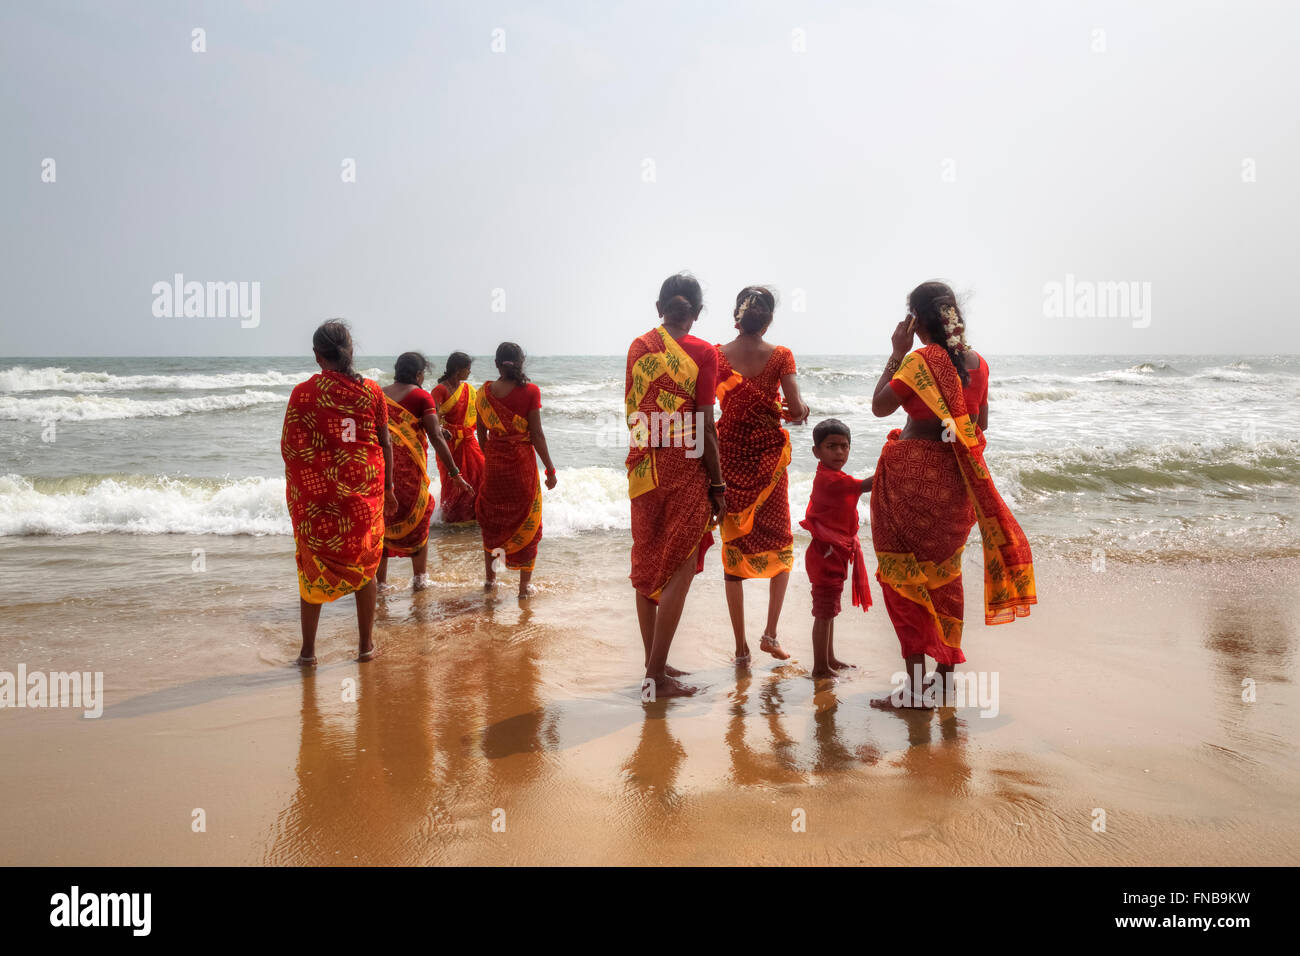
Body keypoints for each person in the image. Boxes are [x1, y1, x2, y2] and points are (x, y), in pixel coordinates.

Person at [869, 281, 1036, 708]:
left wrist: (896, 352)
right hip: (955, 483)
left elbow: (880, 407)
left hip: (910, 480)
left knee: (903, 575)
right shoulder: (978, 363)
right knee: (945, 577)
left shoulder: (919, 361)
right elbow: (979, 422)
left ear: (917, 322)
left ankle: (913, 688)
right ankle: (943, 682)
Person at [627, 272, 726, 698]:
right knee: (678, 568)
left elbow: (634, 411)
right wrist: (718, 484)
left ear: (659, 308)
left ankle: (656, 664)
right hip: (684, 469)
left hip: (642, 467)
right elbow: (704, 422)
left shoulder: (638, 347)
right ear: (698, 313)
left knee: (649, 562)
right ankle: (655, 677)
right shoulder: (703, 352)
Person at [281, 320, 396, 664]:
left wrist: (311, 483)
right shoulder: (373, 391)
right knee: (365, 568)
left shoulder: (303, 393)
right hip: (364, 498)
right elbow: (384, 442)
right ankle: (365, 647)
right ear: (350, 350)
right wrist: (387, 487)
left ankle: (308, 653)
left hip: (319, 503)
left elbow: (291, 447)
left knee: (312, 569)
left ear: (317, 355)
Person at [714, 286, 810, 663]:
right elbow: (797, 408)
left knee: (733, 545)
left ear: (735, 315)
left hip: (729, 457)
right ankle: (769, 634)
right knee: (780, 540)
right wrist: (798, 411)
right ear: (768, 319)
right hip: (768, 461)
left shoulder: (717, 355)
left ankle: (740, 648)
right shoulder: (781, 355)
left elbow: (707, 407)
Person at [377, 351, 473, 591]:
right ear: (419, 374)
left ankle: (380, 584)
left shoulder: (378, 395)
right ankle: (419, 580)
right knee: (420, 519)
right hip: (409, 476)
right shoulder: (422, 397)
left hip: (380, 474)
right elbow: (436, 437)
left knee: (382, 525)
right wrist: (455, 472)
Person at [475, 343, 557, 597]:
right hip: (522, 465)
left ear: (497, 363)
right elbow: (537, 434)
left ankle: (490, 581)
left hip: (495, 466)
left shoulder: (483, 393)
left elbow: (480, 434)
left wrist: (492, 457)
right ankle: (524, 587)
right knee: (528, 521)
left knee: (493, 522)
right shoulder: (530, 391)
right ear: (521, 362)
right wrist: (550, 469)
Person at [799, 419, 872, 679]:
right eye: (831, 446)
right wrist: (893, 460)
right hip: (825, 556)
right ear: (816, 451)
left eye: (844, 446)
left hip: (832, 552)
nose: (840, 452)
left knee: (829, 610)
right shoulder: (830, 480)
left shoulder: (834, 476)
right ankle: (820, 667)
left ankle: (828, 658)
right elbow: (866, 485)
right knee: (823, 612)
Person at [430, 351, 485, 524]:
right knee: (452, 482)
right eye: (467, 369)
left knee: (480, 475)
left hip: (469, 442)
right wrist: (440, 428)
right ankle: (452, 520)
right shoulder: (439, 390)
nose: (469, 372)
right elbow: (432, 418)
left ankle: (475, 517)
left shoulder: (470, 390)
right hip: (449, 445)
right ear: (457, 369)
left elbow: (478, 416)